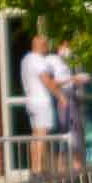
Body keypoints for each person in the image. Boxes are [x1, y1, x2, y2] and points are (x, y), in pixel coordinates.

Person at [19, 34, 63, 175]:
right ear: (41, 46)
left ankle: (35, 166)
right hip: (41, 101)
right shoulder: (38, 61)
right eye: (46, 45)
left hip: (30, 100)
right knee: (42, 135)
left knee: (35, 135)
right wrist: (61, 96)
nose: (48, 48)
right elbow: (46, 81)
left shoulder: (26, 59)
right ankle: (38, 168)